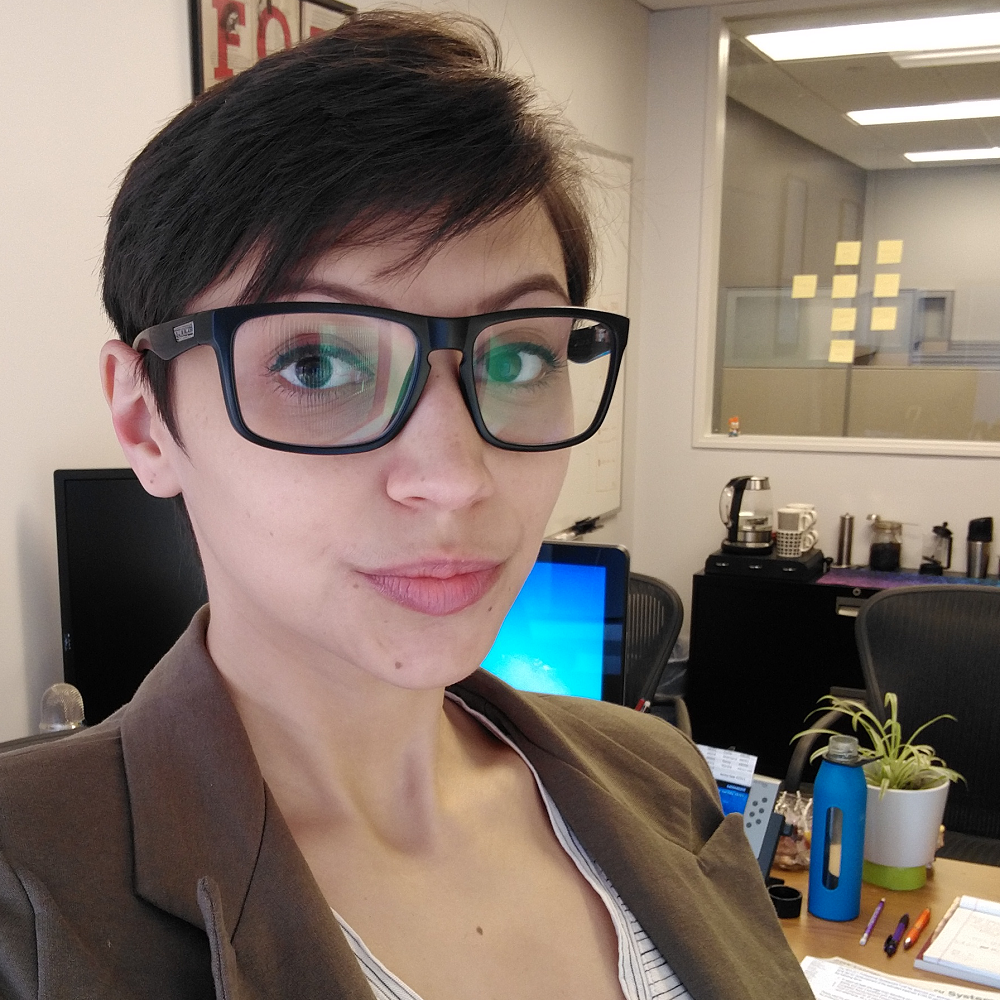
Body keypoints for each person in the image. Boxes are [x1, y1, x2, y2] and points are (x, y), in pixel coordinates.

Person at [0, 11, 812, 1000]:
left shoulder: (657, 778)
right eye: (315, 360)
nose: (456, 476)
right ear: (144, 419)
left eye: (516, 354)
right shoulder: (24, 891)